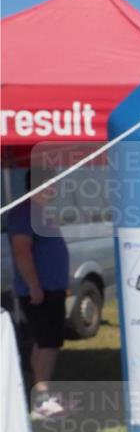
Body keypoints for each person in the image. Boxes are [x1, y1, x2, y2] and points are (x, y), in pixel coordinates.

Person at [7, 171, 70, 417]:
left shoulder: (40, 212)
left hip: (49, 289)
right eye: (49, 184)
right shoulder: (25, 212)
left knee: (43, 343)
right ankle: (43, 402)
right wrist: (34, 285)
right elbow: (22, 250)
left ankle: (42, 397)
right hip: (40, 291)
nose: (54, 188)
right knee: (48, 344)